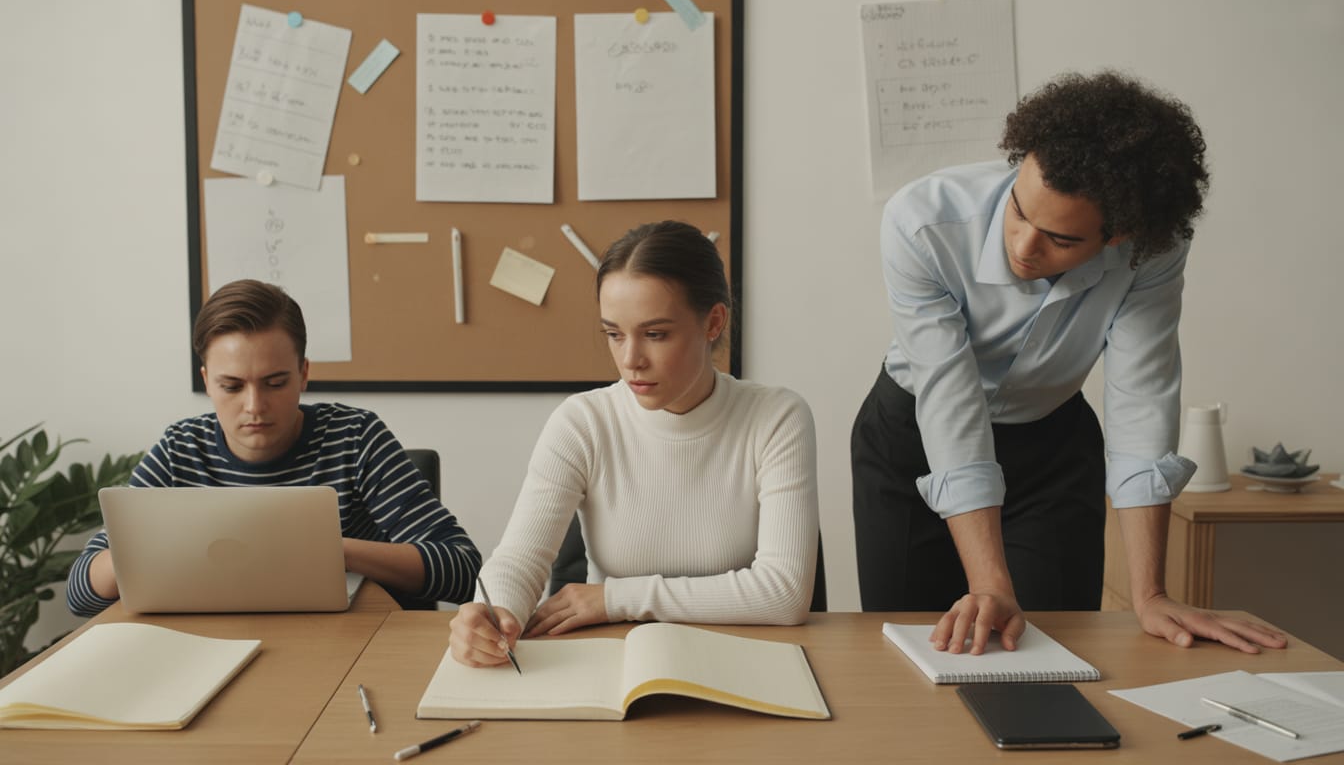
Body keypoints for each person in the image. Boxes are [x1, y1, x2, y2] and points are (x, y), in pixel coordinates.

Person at [851, 71, 1286, 656]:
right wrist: (988, 581)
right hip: (913, 442)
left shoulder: (1151, 250)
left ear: (1119, 235)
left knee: (1053, 654)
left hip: (1052, 449)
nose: (1024, 246)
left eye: (1059, 239)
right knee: (915, 656)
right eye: (1018, 211)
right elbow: (950, 398)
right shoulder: (923, 222)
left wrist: (1151, 595)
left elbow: (1141, 394)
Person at [449, 220, 819, 668]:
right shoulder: (582, 421)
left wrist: (615, 598)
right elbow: (519, 559)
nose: (630, 360)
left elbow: (784, 593)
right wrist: (493, 614)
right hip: (616, 663)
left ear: (713, 322)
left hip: (747, 660)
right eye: (614, 334)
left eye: (655, 334)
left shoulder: (777, 418)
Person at [67, 279, 481, 616]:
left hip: (341, 651)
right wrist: (152, 550)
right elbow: (82, 593)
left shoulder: (354, 437)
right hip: (207, 646)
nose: (254, 406)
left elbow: (464, 569)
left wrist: (327, 551)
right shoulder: (181, 451)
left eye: (275, 383)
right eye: (231, 386)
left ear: (304, 373)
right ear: (207, 380)